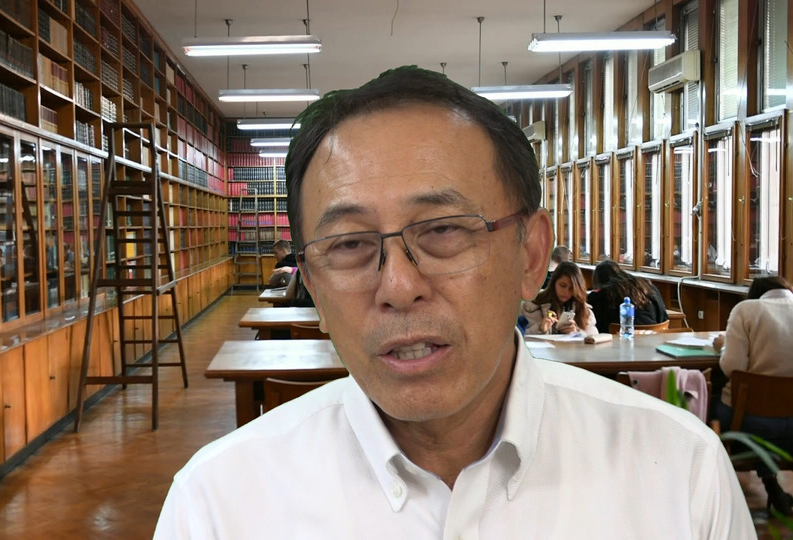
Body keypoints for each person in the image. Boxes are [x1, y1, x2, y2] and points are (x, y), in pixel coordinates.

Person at [155, 67, 754, 538]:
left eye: (442, 230)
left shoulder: (681, 475)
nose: (398, 287)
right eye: (350, 244)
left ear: (530, 255)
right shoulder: (218, 505)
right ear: (310, 281)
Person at [713, 276, 793, 516]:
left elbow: (732, 367)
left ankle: (721, 497)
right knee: (759, 412)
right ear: (790, 290)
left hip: (748, 424)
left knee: (713, 403)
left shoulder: (746, 310)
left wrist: (722, 346)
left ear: (755, 295)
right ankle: (771, 484)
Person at [586, 259, 668, 334]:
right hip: (654, 336)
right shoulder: (647, 286)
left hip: (618, 341)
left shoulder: (601, 295)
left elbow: (596, 326)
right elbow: (663, 316)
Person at [520, 261, 599, 336]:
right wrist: (540, 329)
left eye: (571, 288)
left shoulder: (584, 310)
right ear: (554, 283)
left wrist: (576, 333)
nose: (566, 292)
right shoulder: (531, 306)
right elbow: (517, 337)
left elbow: (594, 338)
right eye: (563, 286)